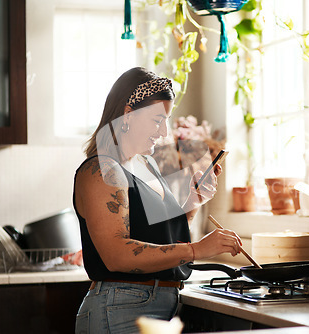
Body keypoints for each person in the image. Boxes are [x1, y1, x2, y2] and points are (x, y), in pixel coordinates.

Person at [73, 67, 242, 334]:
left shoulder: (145, 165)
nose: (164, 131)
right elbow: (117, 255)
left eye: (167, 120)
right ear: (128, 114)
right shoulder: (102, 170)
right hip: (120, 311)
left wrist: (193, 201)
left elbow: (158, 236)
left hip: (158, 307)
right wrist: (197, 249)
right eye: (156, 120)